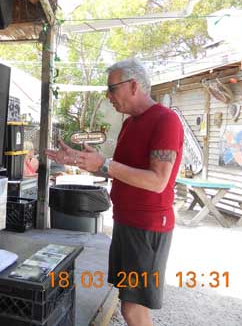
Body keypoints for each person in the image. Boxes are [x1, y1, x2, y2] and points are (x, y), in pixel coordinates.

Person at [46, 58, 183, 326]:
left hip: (147, 227)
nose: (108, 96)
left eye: (112, 88)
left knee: (134, 309)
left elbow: (158, 181)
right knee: (126, 300)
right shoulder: (130, 123)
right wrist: (81, 162)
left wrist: (105, 163)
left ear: (133, 86)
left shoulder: (166, 120)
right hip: (125, 222)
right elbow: (116, 171)